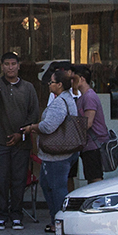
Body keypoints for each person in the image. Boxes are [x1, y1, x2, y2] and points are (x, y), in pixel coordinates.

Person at [0, 51, 40, 230]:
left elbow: (34, 114)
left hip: (21, 141)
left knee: (19, 180)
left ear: (19, 66)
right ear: (2, 66)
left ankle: (16, 215)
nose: (10, 67)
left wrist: (21, 134)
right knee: (1, 179)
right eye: (6, 64)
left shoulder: (28, 87)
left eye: (13, 64)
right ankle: (0, 215)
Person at [36, 66, 82, 225]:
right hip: (66, 151)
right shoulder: (69, 98)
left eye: (52, 82)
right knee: (50, 184)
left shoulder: (59, 102)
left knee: (56, 188)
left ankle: (60, 221)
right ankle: (58, 220)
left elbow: (48, 126)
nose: (49, 84)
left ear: (60, 85)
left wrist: (34, 127)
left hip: (56, 153)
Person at [68, 66, 108, 187]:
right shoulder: (82, 97)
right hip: (87, 144)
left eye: (73, 78)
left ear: (82, 79)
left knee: (95, 178)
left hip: (94, 144)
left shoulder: (89, 96)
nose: (71, 81)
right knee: (91, 177)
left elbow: (88, 123)